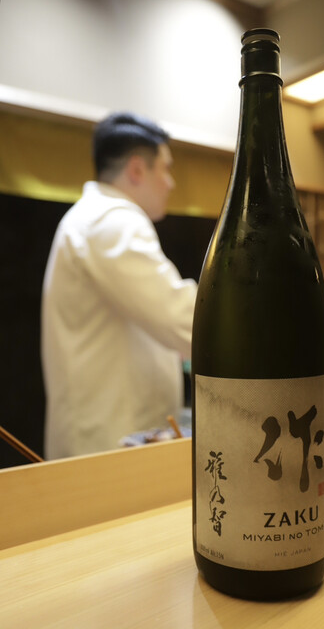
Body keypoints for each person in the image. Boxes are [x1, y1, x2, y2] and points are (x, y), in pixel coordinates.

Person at [42, 112, 197, 459]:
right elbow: (183, 319)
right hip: (107, 442)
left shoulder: (96, 217)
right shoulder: (111, 221)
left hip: (109, 434)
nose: (171, 183)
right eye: (166, 169)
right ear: (137, 170)